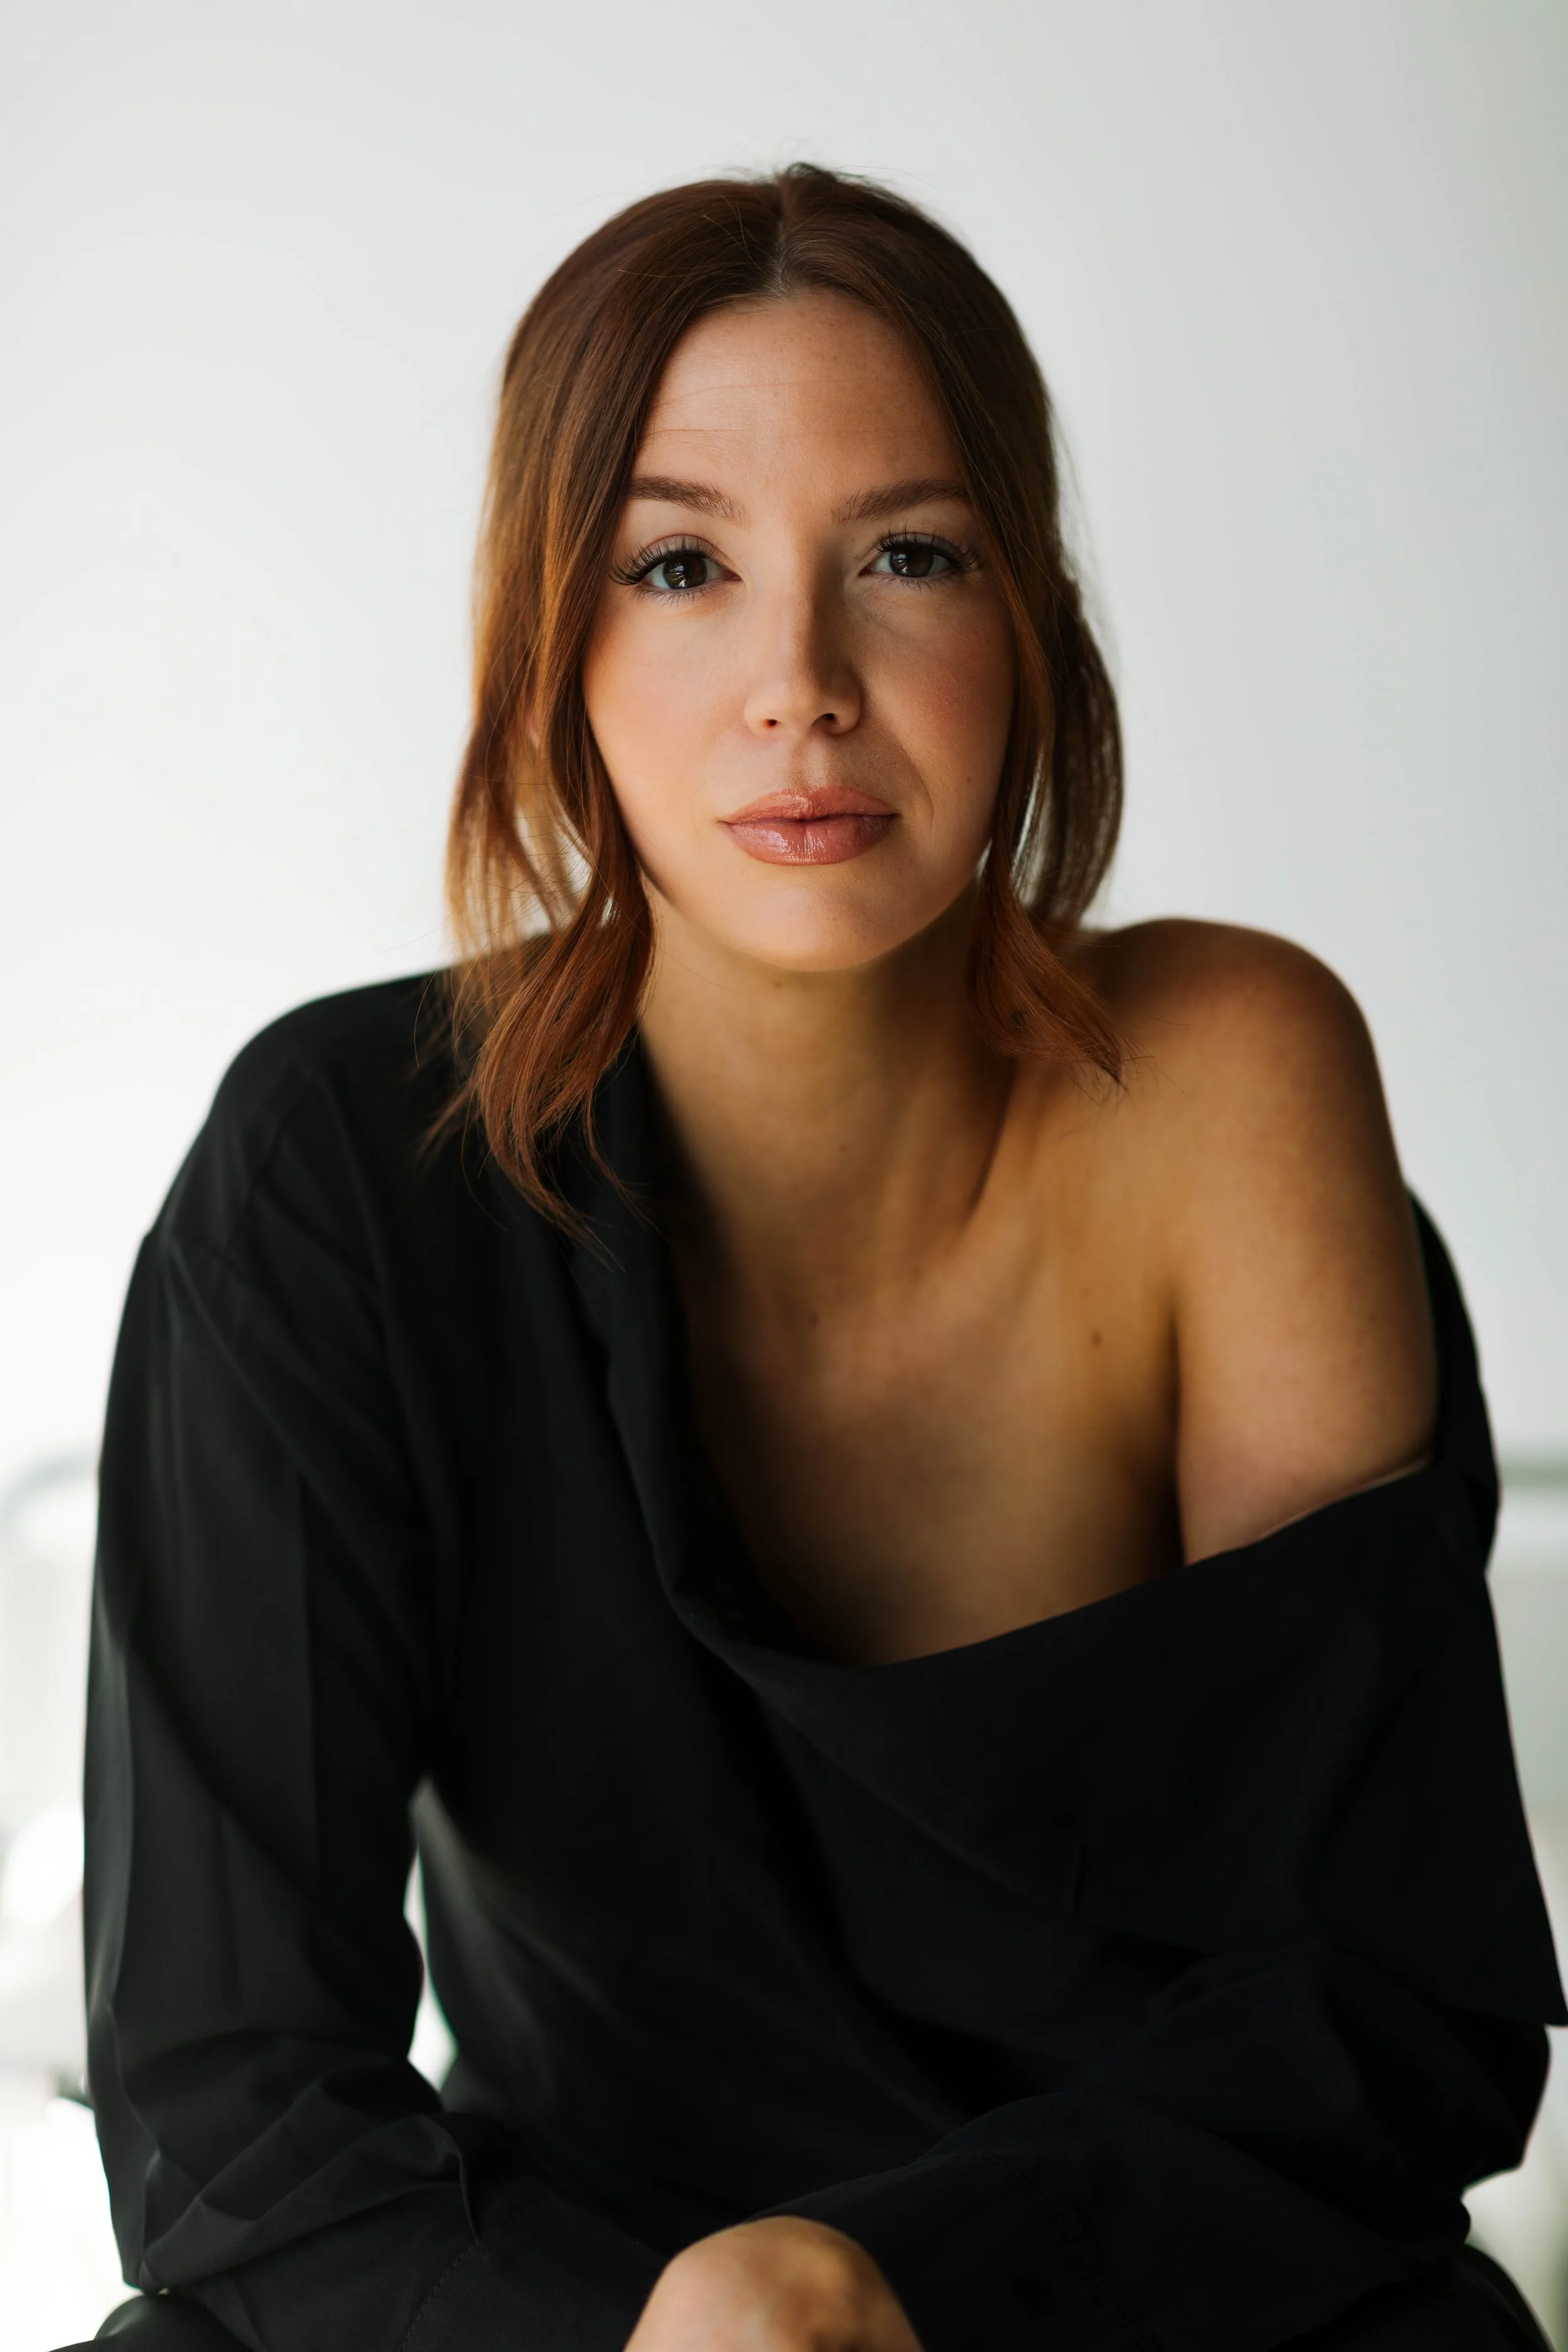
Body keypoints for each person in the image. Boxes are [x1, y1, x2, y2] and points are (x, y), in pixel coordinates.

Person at [76, 166, 1561, 2352]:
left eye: (907, 557)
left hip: (1151, 2284)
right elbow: (227, 2106)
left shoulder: (1234, 1081)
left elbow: (1378, 2000)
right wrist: (680, 2328)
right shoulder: (340, 1162)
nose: (799, 682)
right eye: (680, 566)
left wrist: (878, 2282)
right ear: (549, 640)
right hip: (569, 2305)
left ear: (1024, 619)